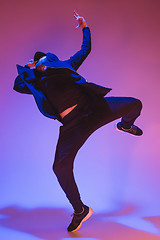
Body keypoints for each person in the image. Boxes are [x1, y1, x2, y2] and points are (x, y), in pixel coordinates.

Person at [13, 11, 143, 232]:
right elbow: (17, 85)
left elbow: (85, 49)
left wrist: (85, 27)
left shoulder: (66, 65)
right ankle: (80, 210)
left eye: (42, 58)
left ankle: (125, 125)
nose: (40, 61)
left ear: (49, 58)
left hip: (93, 109)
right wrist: (28, 70)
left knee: (135, 103)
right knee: (60, 167)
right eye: (37, 60)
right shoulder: (35, 82)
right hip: (73, 125)